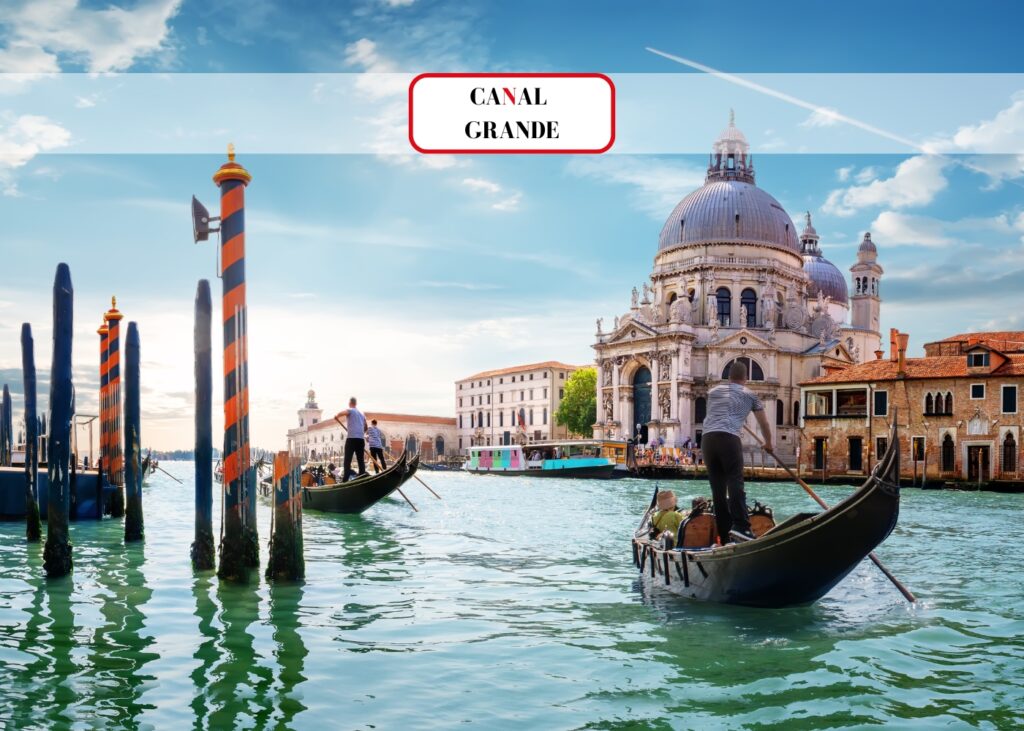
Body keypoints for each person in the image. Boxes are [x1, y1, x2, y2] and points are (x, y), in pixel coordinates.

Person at [701, 361, 774, 543]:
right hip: (728, 437)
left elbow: (717, 414)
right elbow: (764, 423)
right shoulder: (750, 395)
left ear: (728, 377)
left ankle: (725, 534)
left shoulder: (713, 392)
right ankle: (741, 526)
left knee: (717, 488)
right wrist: (769, 443)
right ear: (746, 378)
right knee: (735, 481)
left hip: (707, 439)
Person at [335, 397, 367, 482]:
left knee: (347, 460)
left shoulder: (351, 410)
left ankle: (345, 479)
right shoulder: (362, 413)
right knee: (361, 460)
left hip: (352, 439)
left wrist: (336, 416)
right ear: (356, 403)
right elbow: (366, 427)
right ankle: (362, 475)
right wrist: (360, 432)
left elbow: (343, 413)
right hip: (361, 439)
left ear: (350, 403)